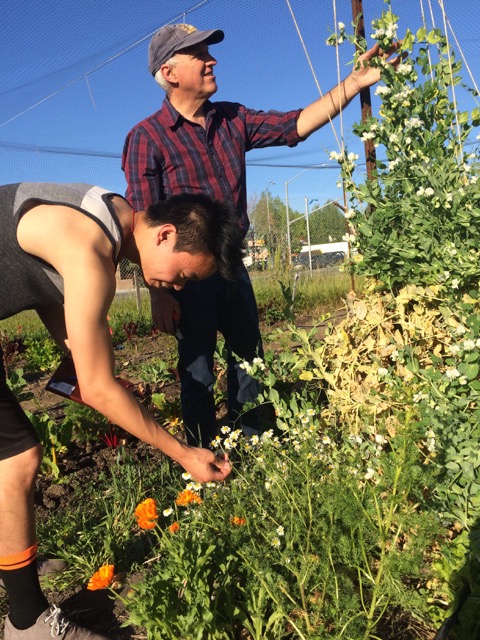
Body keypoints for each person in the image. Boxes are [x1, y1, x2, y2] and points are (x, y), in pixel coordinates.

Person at [122, 23, 400, 448]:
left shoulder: (233, 119)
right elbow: (143, 223)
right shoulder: (147, 138)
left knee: (248, 357)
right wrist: (158, 291)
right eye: (199, 55)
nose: (212, 60)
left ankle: (254, 443)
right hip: (186, 277)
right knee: (196, 365)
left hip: (232, 266)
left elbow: (296, 125)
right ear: (170, 72)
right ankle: (200, 455)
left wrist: (355, 81)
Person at [0, 183, 240, 639]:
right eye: (184, 277)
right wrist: (184, 453)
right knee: (16, 459)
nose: (176, 287)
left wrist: (100, 380)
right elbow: (95, 387)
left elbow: (58, 317)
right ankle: (27, 622)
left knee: (10, 458)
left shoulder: (102, 211)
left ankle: (17, 569)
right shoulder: (90, 249)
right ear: (166, 235)